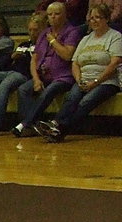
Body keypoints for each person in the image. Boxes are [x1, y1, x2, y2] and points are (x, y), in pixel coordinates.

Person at [35, 3, 122, 140]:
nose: (94, 21)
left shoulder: (115, 36)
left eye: (98, 17)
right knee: (71, 97)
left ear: (106, 19)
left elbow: (115, 63)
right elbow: (75, 63)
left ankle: (60, 129)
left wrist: (95, 82)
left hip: (106, 81)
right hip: (83, 80)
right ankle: (55, 125)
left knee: (86, 101)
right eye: (91, 18)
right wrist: (78, 79)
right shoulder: (86, 39)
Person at [12, 1, 83, 136]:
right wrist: (36, 79)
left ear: (65, 15)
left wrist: (52, 41)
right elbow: (34, 59)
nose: (53, 17)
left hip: (63, 76)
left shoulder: (72, 31)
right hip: (43, 74)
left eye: (57, 14)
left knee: (49, 90)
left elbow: (67, 55)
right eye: (50, 14)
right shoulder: (44, 32)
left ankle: (25, 124)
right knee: (23, 89)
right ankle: (32, 126)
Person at [0, 14, 44, 136]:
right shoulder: (23, 45)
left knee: (4, 86)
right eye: (30, 30)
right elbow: (5, 63)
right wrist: (11, 57)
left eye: (35, 30)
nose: (32, 33)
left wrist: (27, 57)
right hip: (9, 71)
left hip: (23, 74)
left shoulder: (44, 46)